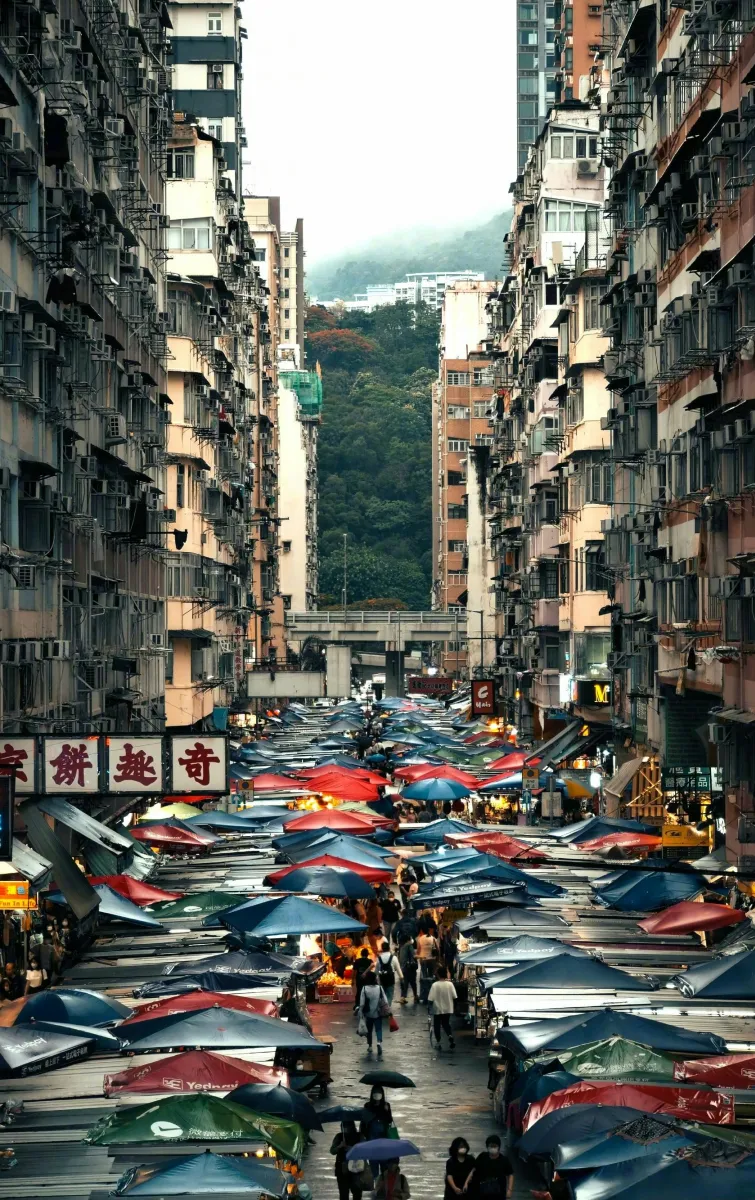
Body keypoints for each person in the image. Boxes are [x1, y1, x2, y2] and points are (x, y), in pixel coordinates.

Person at [330, 1119, 370, 1200]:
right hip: (342, 1170)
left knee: (357, 1194)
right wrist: (340, 1146)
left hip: (357, 1169)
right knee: (343, 1194)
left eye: (347, 1126)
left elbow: (365, 1148)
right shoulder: (339, 1137)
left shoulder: (359, 1136)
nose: (345, 1129)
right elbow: (332, 1151)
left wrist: (352, 1148)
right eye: (344, 1126)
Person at [471, 1134, 514, 1199]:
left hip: (499, 1193)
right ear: (487, 1147)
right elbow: (474, 1169)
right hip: (482, 1192)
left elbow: (510, 1174)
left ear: (498, 1147)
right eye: (491, 1146)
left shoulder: (504, 1160)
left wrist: (509, 1190)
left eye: (495, 1146)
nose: (492, 1148)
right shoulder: (482, 1156)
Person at [359, 969, 388, 1056]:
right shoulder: (379, 988)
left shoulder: (364, 989)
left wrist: (360, 1013)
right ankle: (379, 1042)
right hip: (378, 1012)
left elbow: (362, 1003)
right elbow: (385, 1000)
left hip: (368, 1013)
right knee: (378, 1029)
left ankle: (370, 1046)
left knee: (369, 1030)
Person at [428, 966, 457, 1051]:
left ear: (438, 974)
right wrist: (455, 1007)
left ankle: (438, 1042)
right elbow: (455, 997)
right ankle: (450, 1035)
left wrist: (429, 1008)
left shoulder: (435, 985)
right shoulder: (450, 984)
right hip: (448, 1008)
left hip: (437, 1008)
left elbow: (430, 999)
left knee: (437, 1025)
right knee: (446, 1023)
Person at [376, 940, 402, 1007]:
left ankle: (384, 1008)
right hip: (390, 979)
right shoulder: (393, 958)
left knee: (383, 995)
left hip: (382, 979)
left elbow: (376, 971)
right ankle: (387, 1008)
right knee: (390, 995)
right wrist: (401, 977)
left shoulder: (379, 958)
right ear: (389, 948)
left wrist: (376, 979)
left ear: (382, 949)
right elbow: (398, 969)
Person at [397, 935, 419, 1004]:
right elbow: (413, 955)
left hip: (403, 968)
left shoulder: (401, 947)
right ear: (408, 940)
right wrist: (422, 956)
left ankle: (402, 998)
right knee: (413, 982)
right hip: (410, 968)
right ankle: (415, 996)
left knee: (405, 983)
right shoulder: (409, 945)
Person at [353, 947, 372, 1012]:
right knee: (366, 992)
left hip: (359, 979)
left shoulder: (357, 961)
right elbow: (371, 971)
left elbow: (354, 971)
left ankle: (357, 1005)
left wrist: (353, 980)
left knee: (359, 991)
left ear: (361, 954)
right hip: (367, 979)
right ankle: (366, 1005)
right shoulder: (370, 961)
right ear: (367, 954)